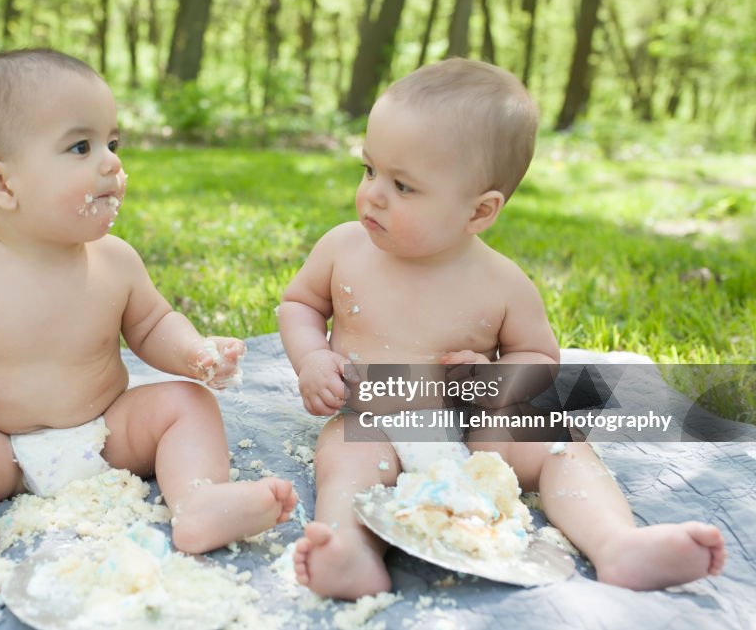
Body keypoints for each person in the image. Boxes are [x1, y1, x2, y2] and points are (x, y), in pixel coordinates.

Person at [0, 49, 296, 615]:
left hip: (108, 432)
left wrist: (194, 354)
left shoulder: (114, 258)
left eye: (113, 143)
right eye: (81, 147)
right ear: (0, 183)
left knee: (186, 403)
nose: (111, 164)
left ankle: (199, 502)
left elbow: (153, 323)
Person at [278, 58, 726, 600]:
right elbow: (299, 304)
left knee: (561, 446)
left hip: (472, 426)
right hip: (370, 420)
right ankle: (350, 553)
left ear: (480, 211)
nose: (373, 194)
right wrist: (311, 358)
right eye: (369, 169)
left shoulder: (501, 284)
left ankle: (618, 543)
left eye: (403, 185)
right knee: (344, 466)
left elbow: (539, 359)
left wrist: (492, 379)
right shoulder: (343, 248)